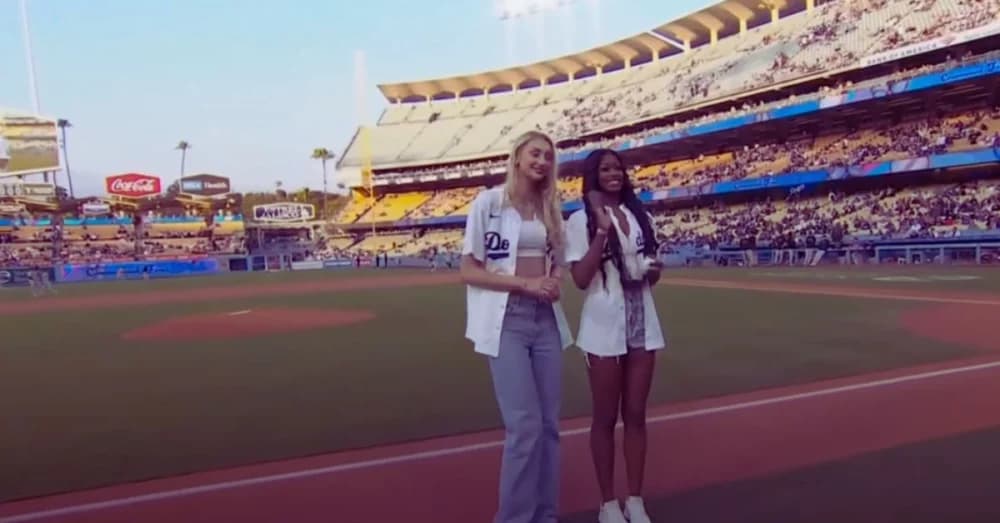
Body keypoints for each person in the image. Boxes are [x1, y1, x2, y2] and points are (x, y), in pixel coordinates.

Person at [460, 130, 573, 523]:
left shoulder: (550, 208)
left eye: (548, 156)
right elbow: (468, 270)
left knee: (548, 426)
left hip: (545, 320)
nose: (541, 161)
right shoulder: (489, 203)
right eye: (535, 153)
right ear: (518, 158)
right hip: (506, 319)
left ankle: (545, 515)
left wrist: (554, 280)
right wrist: (525, 284)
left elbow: (560, 262)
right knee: (524, 427)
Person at [565, 149, 665, 523]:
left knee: (636, 414)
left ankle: (635, 500)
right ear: (593, 175)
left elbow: (653, 271)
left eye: (618, 168)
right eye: (606, 168)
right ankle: (608, 504)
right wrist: (602, 231)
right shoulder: (580, 220)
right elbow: (580, 279)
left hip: (642, 322)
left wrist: (652, 270)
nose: (614, 174)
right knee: (605, 418)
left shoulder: (641, 215)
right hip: (603, 324)